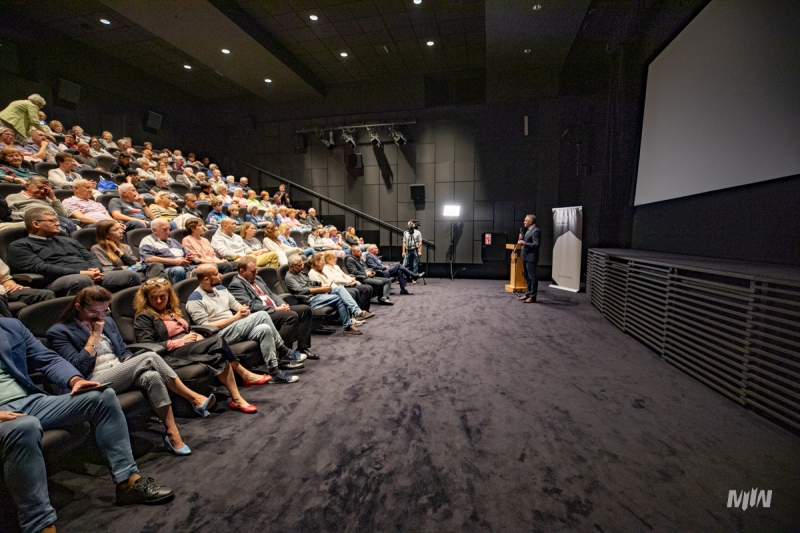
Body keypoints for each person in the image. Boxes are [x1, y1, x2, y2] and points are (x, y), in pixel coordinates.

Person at [0, 318, 175, 532]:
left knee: (102, 396)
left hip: (30, 402)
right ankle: (39, 524)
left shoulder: (10, 326)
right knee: (25, 427)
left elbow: (47, 359)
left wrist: (74, 379)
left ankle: (128, 482)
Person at [47, 286, 215, 456]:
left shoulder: (109, 321)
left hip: (120, 373)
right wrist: (95, 335)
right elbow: (76, 367)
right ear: (78, 308)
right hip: (91, 382)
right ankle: (194, 398)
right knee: (150, 357)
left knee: (152, 376)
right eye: (94, 312)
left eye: (104, 311)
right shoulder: (59, 332)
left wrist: (130, 362)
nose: (100, 316)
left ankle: (173, 435)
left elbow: (123, 350)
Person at [133, 279, 268, 413]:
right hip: (168, 355)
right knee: (217, 341)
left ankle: (237, 399)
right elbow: (148, 345)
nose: (158, 301)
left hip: (189, 347)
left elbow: (188, 328)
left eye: (162, 296)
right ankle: (244, 374)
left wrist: (195, 335)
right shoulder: (144, 317)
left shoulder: (174, 309)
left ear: (169, 295)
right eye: (153, 298)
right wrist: (181, 341)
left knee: (219, 353)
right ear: (146, 298)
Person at [186, 264, 304, 382]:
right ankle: (283, 350)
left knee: (264, 329)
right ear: (206, 279)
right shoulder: (195, 299)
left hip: (235, 327)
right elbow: (206, 327)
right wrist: (235, 318)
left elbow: (235, 304)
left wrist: (242, 309)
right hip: (218, 336)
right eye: (216, 274)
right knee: (262, 315)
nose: (220, 275)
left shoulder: (221, 289)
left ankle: (275, 372)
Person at [8, 208, 141, 296]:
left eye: (57, 220)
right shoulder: (20, 245)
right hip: (56, 280)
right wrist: (81, 273)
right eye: (52, 221)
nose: (57, 224)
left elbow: (89, 256)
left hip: (89, 274)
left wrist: (96, 269)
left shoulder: (67, 240)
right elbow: (41, 268)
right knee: (81, 280)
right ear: (36, 224)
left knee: (130, 276)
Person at [228, 257, 318, 360]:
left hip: (275, 309)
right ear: (242, 271)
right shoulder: (236, 285)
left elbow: (271, 294)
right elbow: (251, 306)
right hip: (262, 314)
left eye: (256, 270)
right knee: (291, 316)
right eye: (253, 271)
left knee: (305, 310)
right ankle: (283, 355)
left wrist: (283, 304)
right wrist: (275, 310)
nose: (256, 273)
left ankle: (303, 348)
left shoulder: (257, 279)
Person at [284, 255, 371, 336]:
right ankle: (347, 327)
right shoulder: (289, 277)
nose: (302, 267)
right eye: (299, 265)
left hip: (316, 294)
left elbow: (310, 282)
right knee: (339, 299)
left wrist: (321, 284)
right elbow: (301, 291)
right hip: (309, 299)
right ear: (291, 266)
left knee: (339, 288)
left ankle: (357, 312)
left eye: (302, 264)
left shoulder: (300, 273)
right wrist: (321, 289)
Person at [91, 220, 165, 280]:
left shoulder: (125, 247)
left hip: (131, 270)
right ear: (106, 234)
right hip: (116, 274)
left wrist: (117, 250)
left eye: (119, 228)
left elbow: (135, 263)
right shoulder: (97, 248)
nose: (121, 231)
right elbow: (107, 269)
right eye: (116, 230)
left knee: (156, 265)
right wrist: (124, 267)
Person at [5, 175, 77, 233]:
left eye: (45, 189)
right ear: (27, 186)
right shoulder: (14, 197)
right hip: (35, 225)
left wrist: (53, 197)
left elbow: (63, 215)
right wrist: (38, 216)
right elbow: (11, 215)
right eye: (39, 188)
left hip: (58, 222)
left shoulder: (49, 199)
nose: (43, 191)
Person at [138, 219, 195, 284]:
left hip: (185, 265)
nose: (168, 232)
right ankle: (177, 293)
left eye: (169, 229)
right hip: (166, 268)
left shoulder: (173, 240)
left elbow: (187, 252)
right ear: (154, 230)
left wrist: (189, 257)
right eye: (165, 229)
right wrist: (174, 261)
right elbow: (148, 259)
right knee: (179, 270)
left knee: (203, 269)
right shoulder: (147, 240)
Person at [62, 179, 128, 230]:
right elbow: (82, 219)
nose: (91, 190)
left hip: (108, 225)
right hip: (92, 226)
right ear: (76, 188)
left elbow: (109, 218)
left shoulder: (96, 203)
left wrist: (116, 224)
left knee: (134, 224)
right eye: (87, 188)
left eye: (91, 188)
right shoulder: (69, 201)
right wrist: (106, 224)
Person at [211, 218, 278, 268]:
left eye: (235, 224)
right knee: (251, 257)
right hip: (234, 261)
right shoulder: (216, 238)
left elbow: (246, 247)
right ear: (225, 226)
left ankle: (270, 275)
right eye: (233, 224)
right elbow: (224, 252)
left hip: (247, 257)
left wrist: (248, 252)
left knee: (274, 255)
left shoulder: (237, 236)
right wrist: (241, 256)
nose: (235, 225)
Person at [517, 214, 541, 303]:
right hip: (525, 257)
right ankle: (528, 294)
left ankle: (533, 296)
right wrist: (522, 238)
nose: (524, 222)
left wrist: (524, 243)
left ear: (530, 222)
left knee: (532, 277)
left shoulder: (536, 231)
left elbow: (536, 244)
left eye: (525, 220)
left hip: (531, 257)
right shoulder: (528, 230)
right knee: (527, 277)